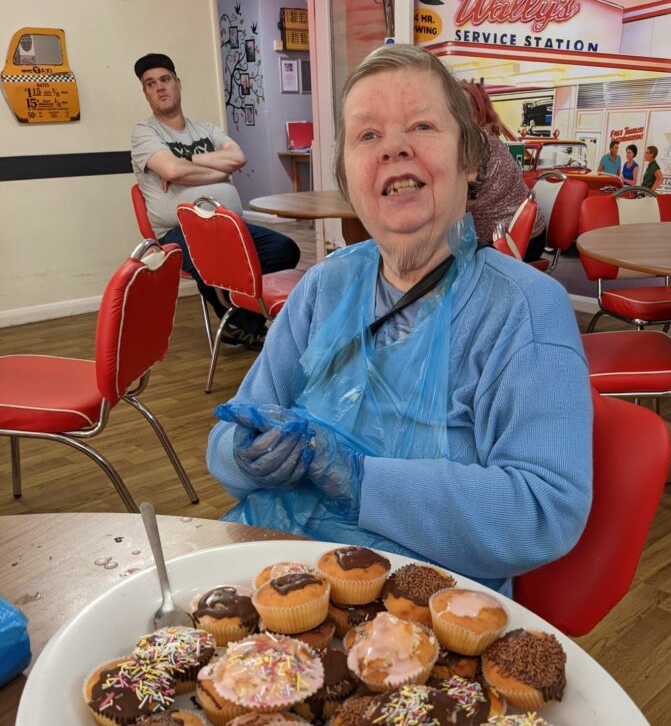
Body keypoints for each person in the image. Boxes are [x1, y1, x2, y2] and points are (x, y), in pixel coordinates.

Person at [207, 44, 592, 591]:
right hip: (279, 578)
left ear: (471, 159)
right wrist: (247, 456)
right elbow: (228, 437)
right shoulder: (324, 287)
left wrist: (359, 479)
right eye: (368, 135)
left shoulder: (522, 310)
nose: (393, 147)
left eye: (422, 125)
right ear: (348, 176)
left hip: (423, 605)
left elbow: (545, 511)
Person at [131, 53, 300, 349]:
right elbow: (172, 171)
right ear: (145, 93)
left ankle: (240, 313)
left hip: (230, 225)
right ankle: (244, 326)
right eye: (151, 83)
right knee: (212, 258)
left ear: (178, 83)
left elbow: (237, 157)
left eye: (165, 79)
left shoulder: (207, 130)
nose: (160, 87)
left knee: (284, 249)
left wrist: (188, 160)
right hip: (178, 232)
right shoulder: (145, 133)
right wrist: (219, 171)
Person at [459, 81, 546, 261]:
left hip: (512, 243)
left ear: (476, 114)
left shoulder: (475, 141)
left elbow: (461, 201)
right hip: (529, 235)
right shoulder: (487, 137)